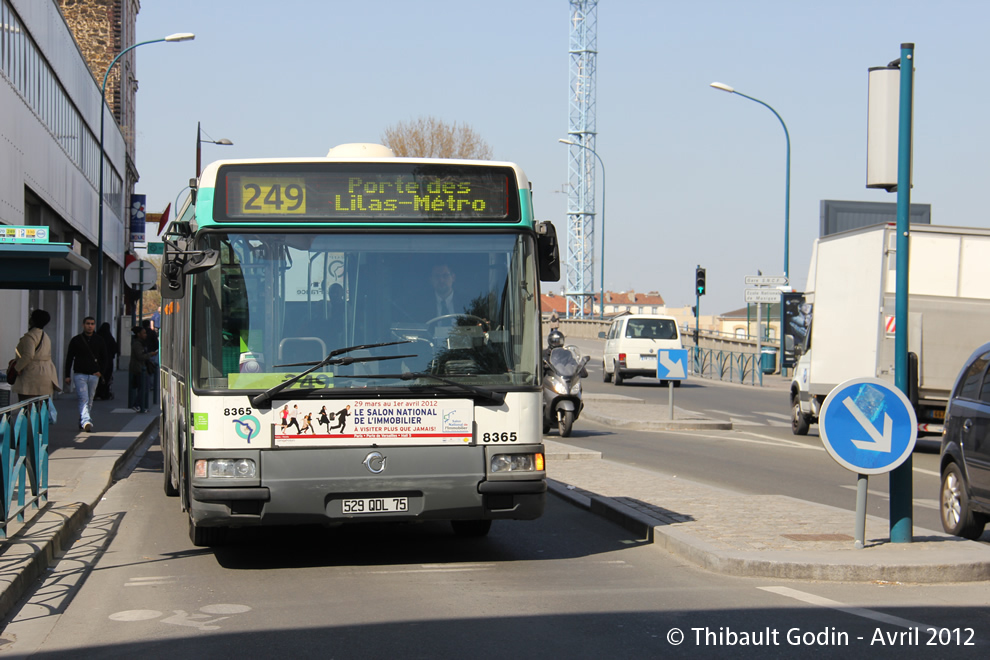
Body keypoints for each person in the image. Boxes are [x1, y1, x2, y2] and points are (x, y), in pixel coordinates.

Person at [64, 316, 107, 432]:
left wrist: (101, 373)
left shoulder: (99, 340)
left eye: (92, 324)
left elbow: (105, 358)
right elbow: (69, 358)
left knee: (90, 399)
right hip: (80, 374)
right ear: (83, 325)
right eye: (88, 323)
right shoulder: (76, 340)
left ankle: (82, 420)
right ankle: (86, 420)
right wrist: (67, 375)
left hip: (94, 374)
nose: (90, 326)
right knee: (83, 398)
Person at [11, 309, 61, 403]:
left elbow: (28, 355)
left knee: (27, 405)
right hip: (46, 373)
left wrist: (17, 368)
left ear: (33, 320)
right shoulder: (45, 336)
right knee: (41, 407)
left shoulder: (30, 337)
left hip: (32, 374)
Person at [128, 326, 157, 413]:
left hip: (141, 368)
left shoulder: (141, 343)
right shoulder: (137, 344)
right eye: (144, 333)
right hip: (139, 369)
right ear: (138, 334)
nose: (146, 335)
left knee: (144, 387)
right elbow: (140, 356)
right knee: (144, 388)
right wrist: (150, 354)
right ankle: (137, 405)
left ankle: (142, 406)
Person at [95, 322, 119, 400]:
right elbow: (115, 349)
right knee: (106, 377)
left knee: (97, 378)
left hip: (97, 361)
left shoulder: (97, 337)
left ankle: (96, 393)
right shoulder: (110, 338)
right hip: (108, 361)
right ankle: (105, 393)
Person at [141, 319, 160, 405]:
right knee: (151, 370)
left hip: (145, 354)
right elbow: (156, 343)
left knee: (146, 370)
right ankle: (151, 386)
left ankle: (147, 385)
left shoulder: (141, 335)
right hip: (151, 353)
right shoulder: (152, 333)